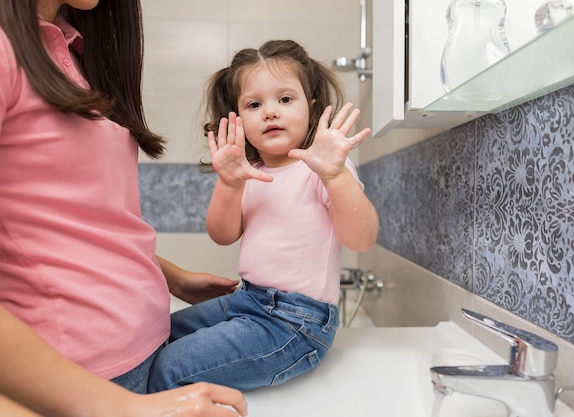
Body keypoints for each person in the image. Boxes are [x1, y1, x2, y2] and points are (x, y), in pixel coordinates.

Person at [0, 1, 247, 416]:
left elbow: (73, 219)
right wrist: (123, 409)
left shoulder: (72, 50)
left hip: (137, 357)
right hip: (80, 382)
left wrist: (168, 275)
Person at [147, 39, 379, 393]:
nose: (270, 112)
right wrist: (229, 182)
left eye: (285, 99)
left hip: (294, 323)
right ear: (238, 119)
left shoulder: (322, 168)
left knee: (169, 369)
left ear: (311, 106)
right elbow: (223, 234)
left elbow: (361, 239)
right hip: (248, 300)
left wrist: (335, 176)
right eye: (255, 104)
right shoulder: (247, 170)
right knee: (153, 337)